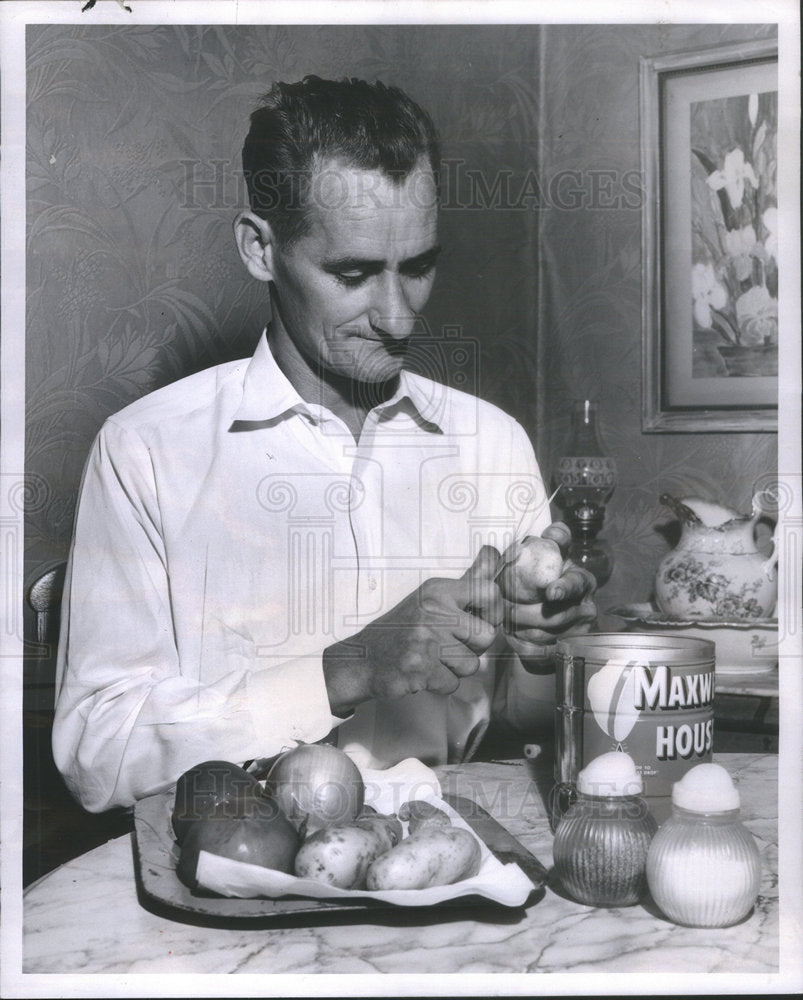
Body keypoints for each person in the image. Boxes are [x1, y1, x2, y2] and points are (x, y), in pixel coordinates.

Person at [53, 76, 596, 812]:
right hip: (239, 861)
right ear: (260, 249)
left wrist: (545, 651)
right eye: (353, 273)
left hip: (455, 850)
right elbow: (97, 756)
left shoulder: (491, 442)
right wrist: (345, 670)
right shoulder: (145, 452)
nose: (398, 319)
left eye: (419, 267)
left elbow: (525, 729)